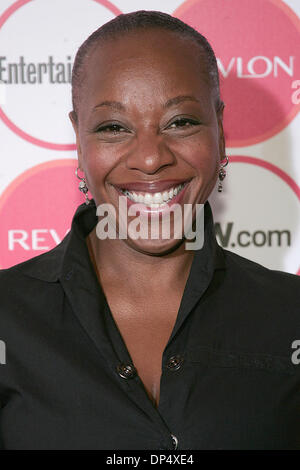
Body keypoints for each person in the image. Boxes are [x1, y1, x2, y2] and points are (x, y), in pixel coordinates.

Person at [0, 10, 299, 450]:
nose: (150, 157)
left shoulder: (288, 315)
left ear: (219, 129)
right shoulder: (8, 316)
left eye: (180, 122)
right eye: (113, 127)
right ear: (79, 141)